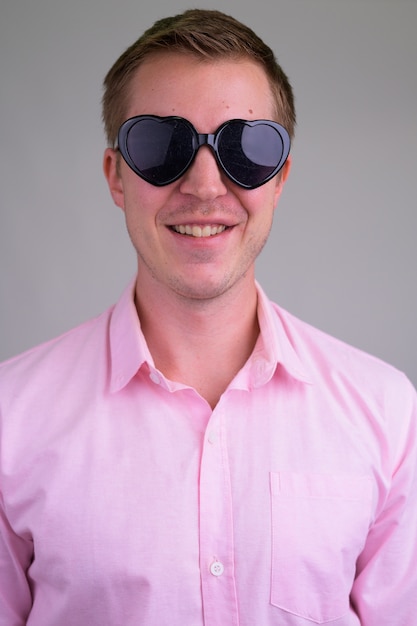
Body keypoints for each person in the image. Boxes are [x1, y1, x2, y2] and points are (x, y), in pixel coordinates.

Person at [0, 8, 416, 626]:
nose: (204, 183)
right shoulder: (11, 418)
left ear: (279, 179)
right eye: (160, 145)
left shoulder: (386, 414)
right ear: (117, 175)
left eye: (245, 149)